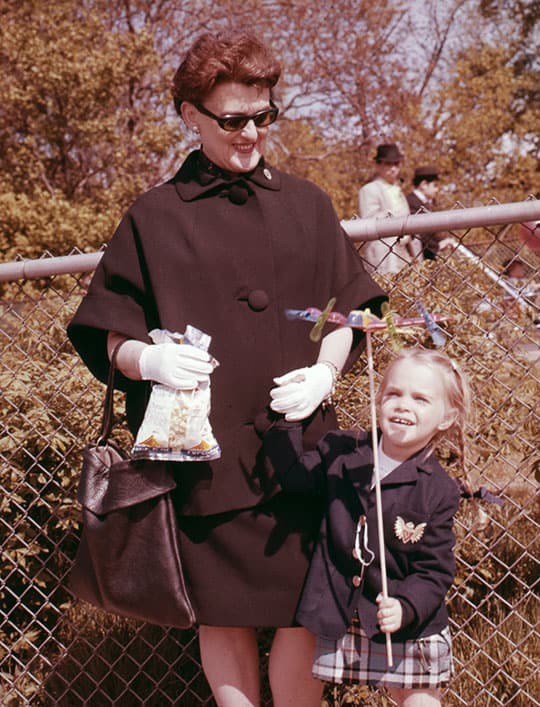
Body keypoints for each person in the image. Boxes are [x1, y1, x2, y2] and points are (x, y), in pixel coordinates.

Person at [67, 30, 386, 707]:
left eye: (263, 116)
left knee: (306, 613)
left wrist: (327, 371)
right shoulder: (153, 217)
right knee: (224, 615)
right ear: (190, 115)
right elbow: (106, 335)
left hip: (302, 454)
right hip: (203, 460)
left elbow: (350, 312)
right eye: (233, 119)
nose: (250, 133)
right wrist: (147, 358)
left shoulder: (308, 204)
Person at [264, 347, 471, 707]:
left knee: (419, 700)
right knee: (292, 680)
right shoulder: (344, 450)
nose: (404, 405)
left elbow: (435, 571)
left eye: (421, 399)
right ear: (379, 399)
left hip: (404, 616)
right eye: (394, 394)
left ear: (446, 417)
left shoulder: (439, 490)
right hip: (339, 606)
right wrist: (285, 422)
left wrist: (406, 605)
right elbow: (296, 479)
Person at [358, 143, 422, 275]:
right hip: (383, 254)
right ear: (378, 165)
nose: (393, 169)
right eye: (388, 164)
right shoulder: (370, 189)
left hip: (404, 250)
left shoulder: (398, 191)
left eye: (396, 164)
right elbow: (369, 220)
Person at [406, 166, 456, 259]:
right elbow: (420, 234)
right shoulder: (412, 203)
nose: (437, 190)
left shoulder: (423, 204)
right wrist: (437, 246)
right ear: (424, 184)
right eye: (435, 185)